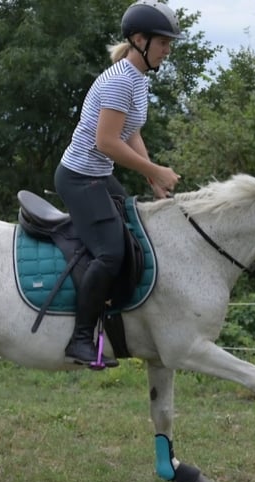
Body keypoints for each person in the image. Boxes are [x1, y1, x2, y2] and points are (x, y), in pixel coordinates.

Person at [54, 0, 183, 368]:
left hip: (96, 175)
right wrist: (156, 170)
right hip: (80, 177)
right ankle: (79, 340)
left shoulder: (138, 80)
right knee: (111, 252)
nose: (167, 50)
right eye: (163, 43)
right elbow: (105, 142)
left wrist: (149, 174)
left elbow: (131, 132)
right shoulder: (120, 82)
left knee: (132, 231)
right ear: (140, 40)